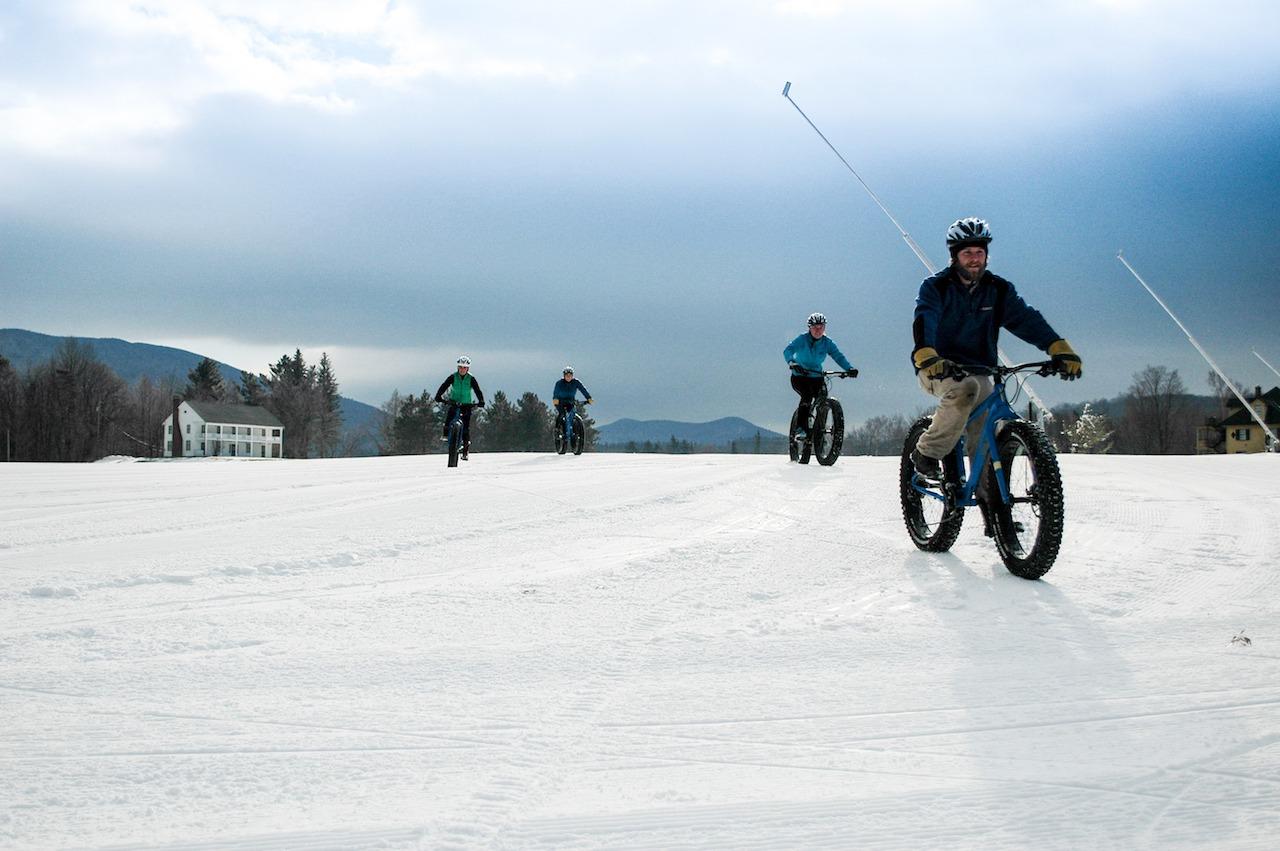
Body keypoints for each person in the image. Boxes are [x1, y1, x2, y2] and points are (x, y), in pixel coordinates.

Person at [909, 216, 1082, 488]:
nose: (975, 259)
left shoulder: (998, 290)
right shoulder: (936, 287)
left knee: (989, 435)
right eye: (967, 253)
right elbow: (925, 318)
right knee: (964, 390)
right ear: (955, 256)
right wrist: (926, 354)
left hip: (982, 371)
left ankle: (995, 514)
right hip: (939, 368)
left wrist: (1057, 347)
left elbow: (1025, 319)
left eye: (980, 252)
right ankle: (926, 452)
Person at [783, 312, 857, 437]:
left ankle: (819, 433)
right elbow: (788, 350)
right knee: (807, 396)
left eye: (821, 327)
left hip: (816, 376)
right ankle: (801, 428)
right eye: (815, 327)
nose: (818, 330)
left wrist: (849, 368)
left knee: (823, 398)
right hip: (799, 376)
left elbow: (838, 356)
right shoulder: (802, 339)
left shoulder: (827, 343)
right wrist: (792, 363)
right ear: (809, 328)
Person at [435, 356, 485, 459]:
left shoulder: (471, 379)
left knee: (466, 427)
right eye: (460, 367)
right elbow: (444, 386)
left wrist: (481, 401)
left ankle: (465, 451)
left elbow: (477, 390)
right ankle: (446, 434)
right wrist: (438, 396)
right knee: (449, 419)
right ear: (458, 368)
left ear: (468, 369)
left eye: (464, 367)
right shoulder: (453, 377)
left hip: (466, 405)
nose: (462, 369)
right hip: (454, 402)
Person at [551, 366, 593, 434]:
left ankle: (575, 431)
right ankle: (557, 430)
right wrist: (555, 399)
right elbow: (556, 392)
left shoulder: (576, 382)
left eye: (570, 375)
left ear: (572, 376)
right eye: (567, 375)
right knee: (561, 414)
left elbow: (583, 389)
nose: (568, 377)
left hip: (571, 401)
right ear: (564, 376)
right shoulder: (559, 383)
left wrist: (589, 398)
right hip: (561, 402)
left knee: (572, 414)